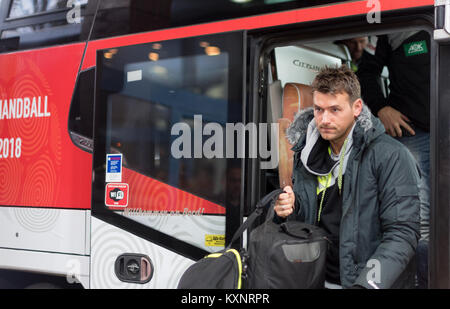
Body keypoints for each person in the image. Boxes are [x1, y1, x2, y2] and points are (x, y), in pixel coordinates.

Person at [274, 65, 420, 289]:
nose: (324, 119)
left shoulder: (391, 155)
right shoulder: (307, 153)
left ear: (357, 108)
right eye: (318, 109)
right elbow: (308, 220)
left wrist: (368, 284)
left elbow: (402, 234)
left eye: (334, 110)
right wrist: (288, 210)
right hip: (317, 278)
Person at [357, 31, 430, 288]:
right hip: (413, 133)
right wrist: (382, 109)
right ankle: (423, 282)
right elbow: (365, 72)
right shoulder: (394, 27)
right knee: (417, 220)